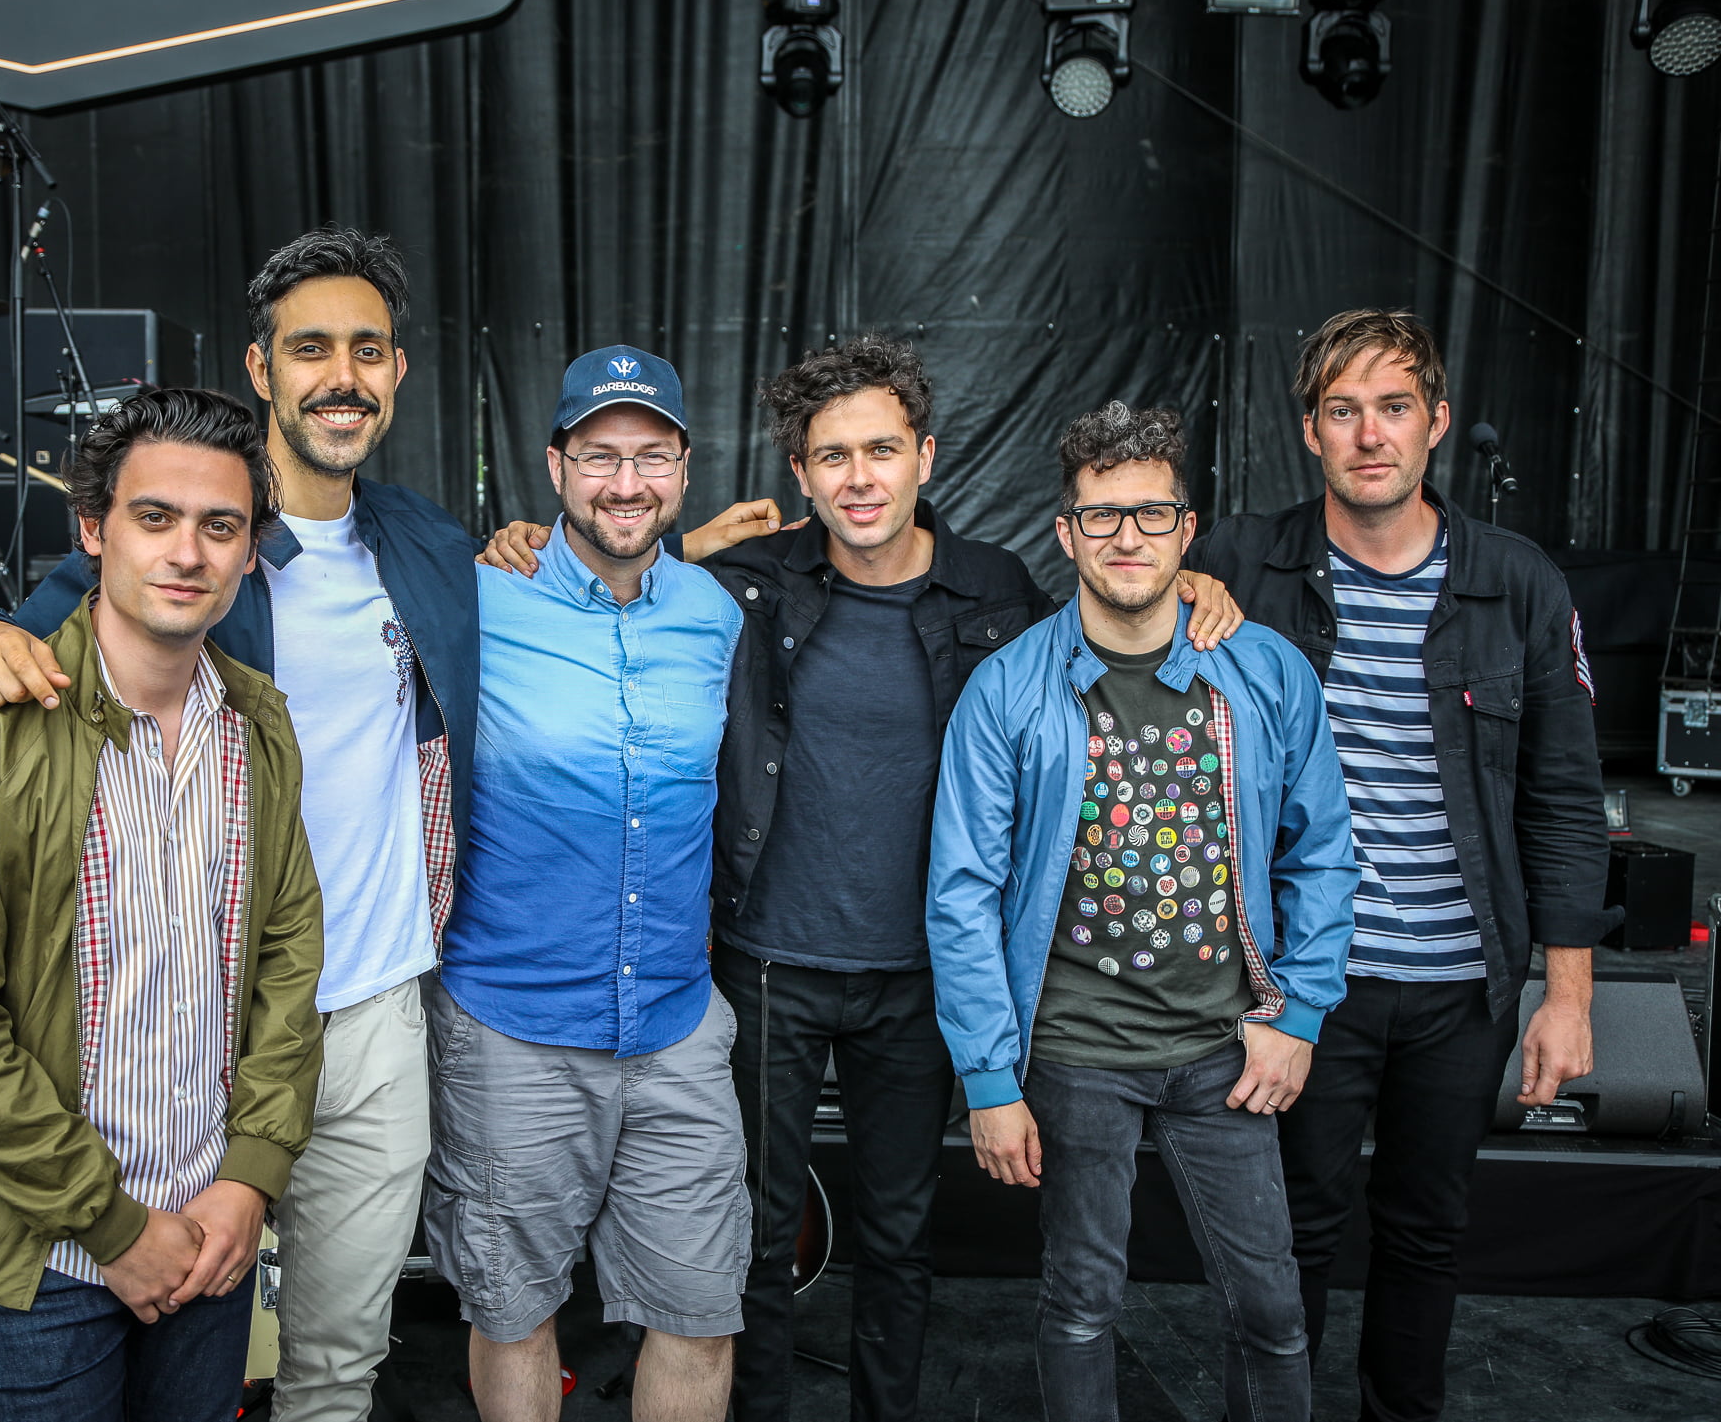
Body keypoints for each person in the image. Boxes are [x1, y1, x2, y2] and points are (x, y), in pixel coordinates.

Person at [480, 335, 1244, 1422]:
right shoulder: (749, 583)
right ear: (800, 472)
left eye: (881, 449)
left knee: (897, 1237)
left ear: (924, 455)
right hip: (766, 965)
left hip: (918, 973)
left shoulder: (995, 589)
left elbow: (1111, 618)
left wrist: (1188, 579)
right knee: (749, 1240)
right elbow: (630, 568)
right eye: (831, 455)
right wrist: (526, 540)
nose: (859, 477)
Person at [0, 227, 479, 1421]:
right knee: (193, 1330)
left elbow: (548, 605)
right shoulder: (198, 529)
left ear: (398, 371)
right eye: (310, 348)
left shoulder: (428, 546)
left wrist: (667, 548)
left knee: (336, 1361)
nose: (342, 375)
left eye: (367, 349)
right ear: (261, 366)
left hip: (372, 1006)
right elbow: (31, 640)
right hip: (203, 1016)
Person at [1186, 309, 1614, 1422]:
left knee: (1426, 1232)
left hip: (1460, 987)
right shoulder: (1243, 559)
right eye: (1342, 410)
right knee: (1287, 1235)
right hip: (1300, 983)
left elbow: (1564, 798)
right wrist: (1180, 588)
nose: (1368, 434)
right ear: (1308, 430)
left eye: (1392, 407)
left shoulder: (1516, 583)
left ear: (1436, 421)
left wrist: (1566, 996)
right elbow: (1112, 605)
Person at [0, 388, 324, 1422]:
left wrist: (250, 1176)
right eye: (154, 517)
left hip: (210, 1232)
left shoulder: (260, 728)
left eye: (220, 526)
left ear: (250, 551)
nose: (187, 553)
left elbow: (288, 959)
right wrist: (114, 1228)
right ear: (93, 528)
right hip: (39, 1260)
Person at [927, 401, 1358, 1422]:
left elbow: (1323, 853)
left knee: (1271, 1310)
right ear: (1066, 532)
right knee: (1081, 1304)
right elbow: (961, 892)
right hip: (1075, 1054)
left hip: (1225, 1050)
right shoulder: (1006, 689)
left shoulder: (1265, 672)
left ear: (1187, 528)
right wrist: (988, 1076)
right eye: (1102, 515)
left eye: (1152, 514)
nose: (1128, 537)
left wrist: (1297, 1015)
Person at [427, 345, 747, 1422]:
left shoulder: (714, 613)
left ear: (684, 470)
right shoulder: (475, 600)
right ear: (556, 465)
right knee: (513, 1312)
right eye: (600, 455)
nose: (626, 482)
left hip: (675, 1026)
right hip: (510, 1029)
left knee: (700, 1314)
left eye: (650, 457)